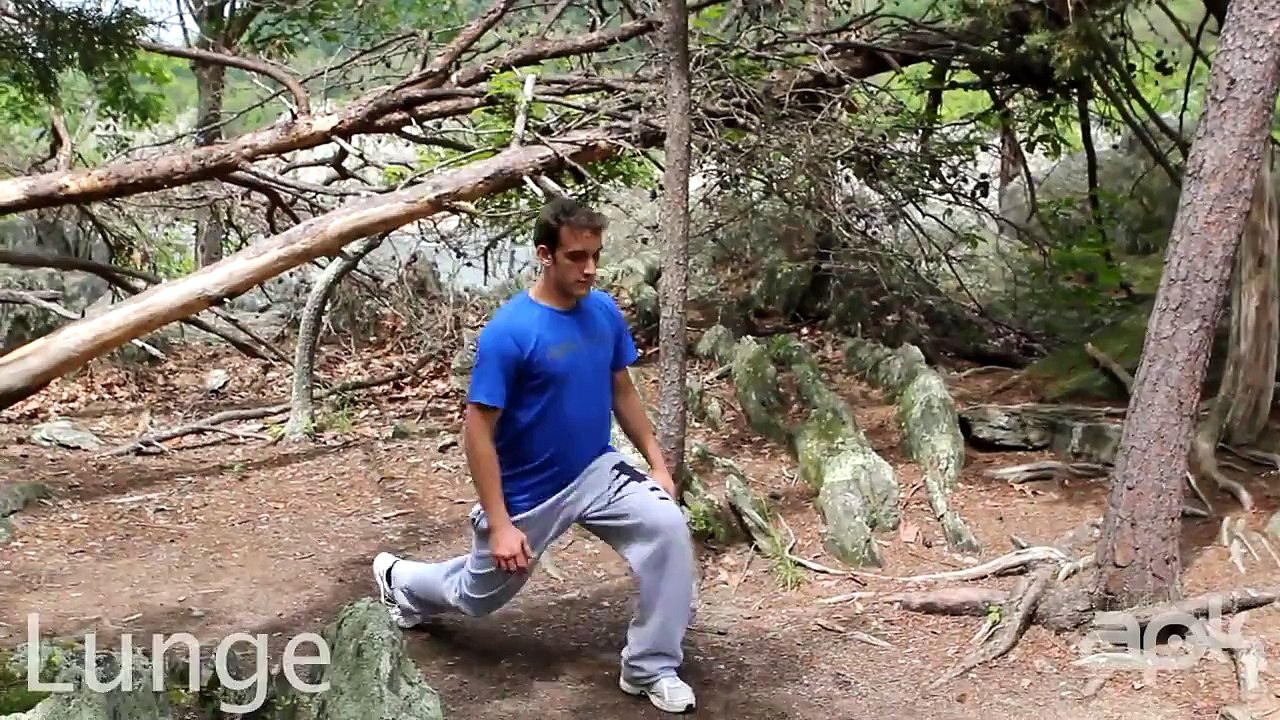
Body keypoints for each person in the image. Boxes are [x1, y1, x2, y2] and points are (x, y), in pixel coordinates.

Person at [372, 196, 698, 714]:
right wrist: (501, 524)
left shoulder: (604, 311)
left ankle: (650, 666)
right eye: (576, 257)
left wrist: (656, 464)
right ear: (545, 255)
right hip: (529, 492)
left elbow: (622, 389)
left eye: (595, 254)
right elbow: (476, 431)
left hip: (596, 470)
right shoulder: (510, 331)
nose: (589, 268)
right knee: (476, 598)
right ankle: (400, 579)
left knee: (667, 530)